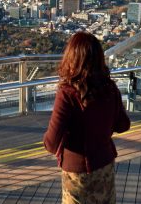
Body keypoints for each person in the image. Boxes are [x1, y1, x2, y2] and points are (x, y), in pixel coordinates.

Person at [43, 31, 131, 204]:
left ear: (71, 58)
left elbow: (51, 144)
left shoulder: (67, 93)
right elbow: (123, 125)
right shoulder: (110, 87)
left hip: (77, 173)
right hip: (105, 165)